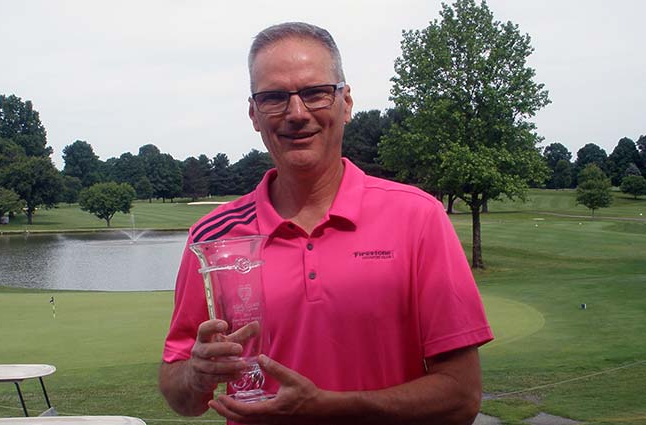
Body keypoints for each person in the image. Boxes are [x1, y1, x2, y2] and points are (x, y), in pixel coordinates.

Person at [159, 22, 493, 425]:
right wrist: (196, 375)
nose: (296, 113)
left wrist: (329, 407)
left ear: (346, 102)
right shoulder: (214, 236)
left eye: (316, 93)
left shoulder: (418, 217)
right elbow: (180, 394)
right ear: (253, 114)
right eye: (274, 98)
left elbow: (461, 397)